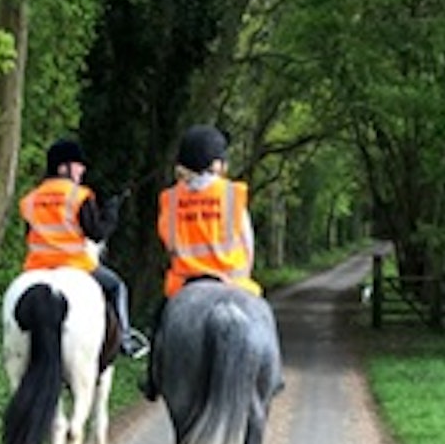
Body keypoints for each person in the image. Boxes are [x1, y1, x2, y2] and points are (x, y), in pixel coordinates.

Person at [141, 124, 263, 400]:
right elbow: (247, 243)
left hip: (184, 284)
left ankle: (152, 379)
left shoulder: (171, 200)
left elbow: (170, 245)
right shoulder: (231, 194)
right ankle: (269, 375)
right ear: (216, 164)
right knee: (262, 316)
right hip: (231, 282)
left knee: (159, 321)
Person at [19, 138, 149, 359]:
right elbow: (96, 232)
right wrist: (111, 212)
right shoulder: (78, 195)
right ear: (63, 168)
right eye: (77, 165)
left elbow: (29, 234)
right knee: (117, 286)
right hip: (74, 265)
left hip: (36, 267)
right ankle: (126, 339)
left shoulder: (31, 199)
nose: (82, 170)